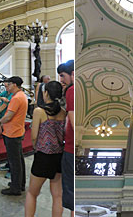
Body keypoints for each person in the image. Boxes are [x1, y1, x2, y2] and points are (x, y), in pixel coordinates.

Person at [25, 81, 66, 217]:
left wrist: (36, 147)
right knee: (57, 196)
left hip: (43, 156)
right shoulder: (63, 113)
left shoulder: (39, 111)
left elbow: (34, 136)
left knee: (32, 193)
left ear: (46, 93)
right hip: (58, 156)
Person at [0, 76, 28, 195]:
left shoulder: (16, 98)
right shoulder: (22, 95)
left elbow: (9, 116)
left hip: (12, 132)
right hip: (17, 131)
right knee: (19, 160)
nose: (7, 86)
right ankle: (20, 184)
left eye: (9, 84)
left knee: (14, 162)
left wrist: (0, 122)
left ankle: (15, 188)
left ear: (14, 84)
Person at [0, 80, 14, 174]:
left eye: (7, 86)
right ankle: (9, 163)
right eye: (5, 86)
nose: (6, 88)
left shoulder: (12, 95)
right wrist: (1, 97)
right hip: (3, 120)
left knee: (11, 147)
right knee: (7, 145)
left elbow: (3, 106)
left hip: (8, 122)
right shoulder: (6, 93)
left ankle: (12, 169)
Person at [62, 63, 74, 216]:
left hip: (70, 149)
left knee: (71, 197)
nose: (61, 80)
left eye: (62, 76)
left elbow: (72, 120)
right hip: (71, 147)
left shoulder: (71, 90)